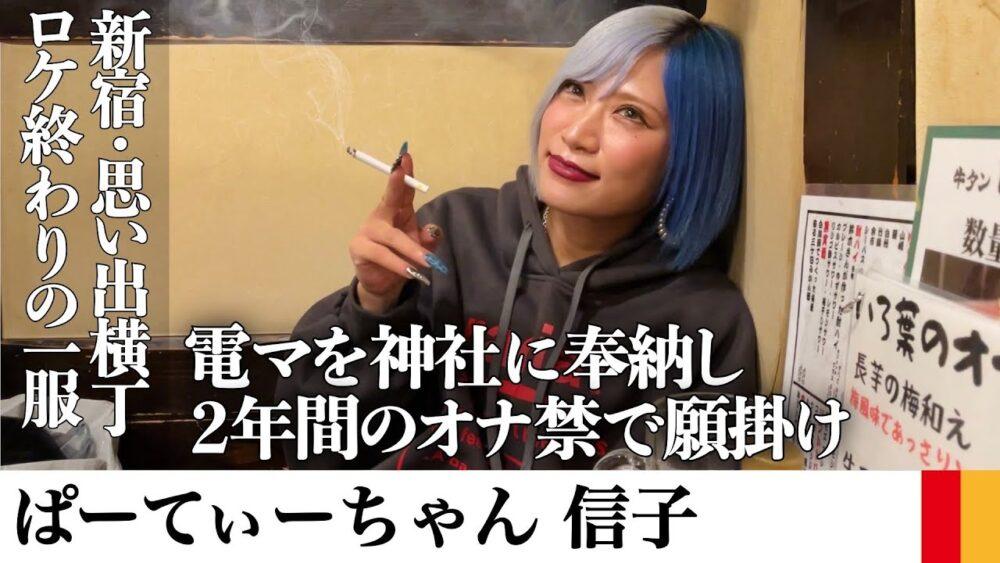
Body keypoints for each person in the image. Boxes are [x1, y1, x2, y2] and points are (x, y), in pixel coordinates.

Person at [276, 5, 758, 470]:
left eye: (630, 113)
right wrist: (374, 305)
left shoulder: (703, 319)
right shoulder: (453, 232)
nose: (577, 133)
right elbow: (317, 443)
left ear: (688, 154)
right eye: (575, 90)